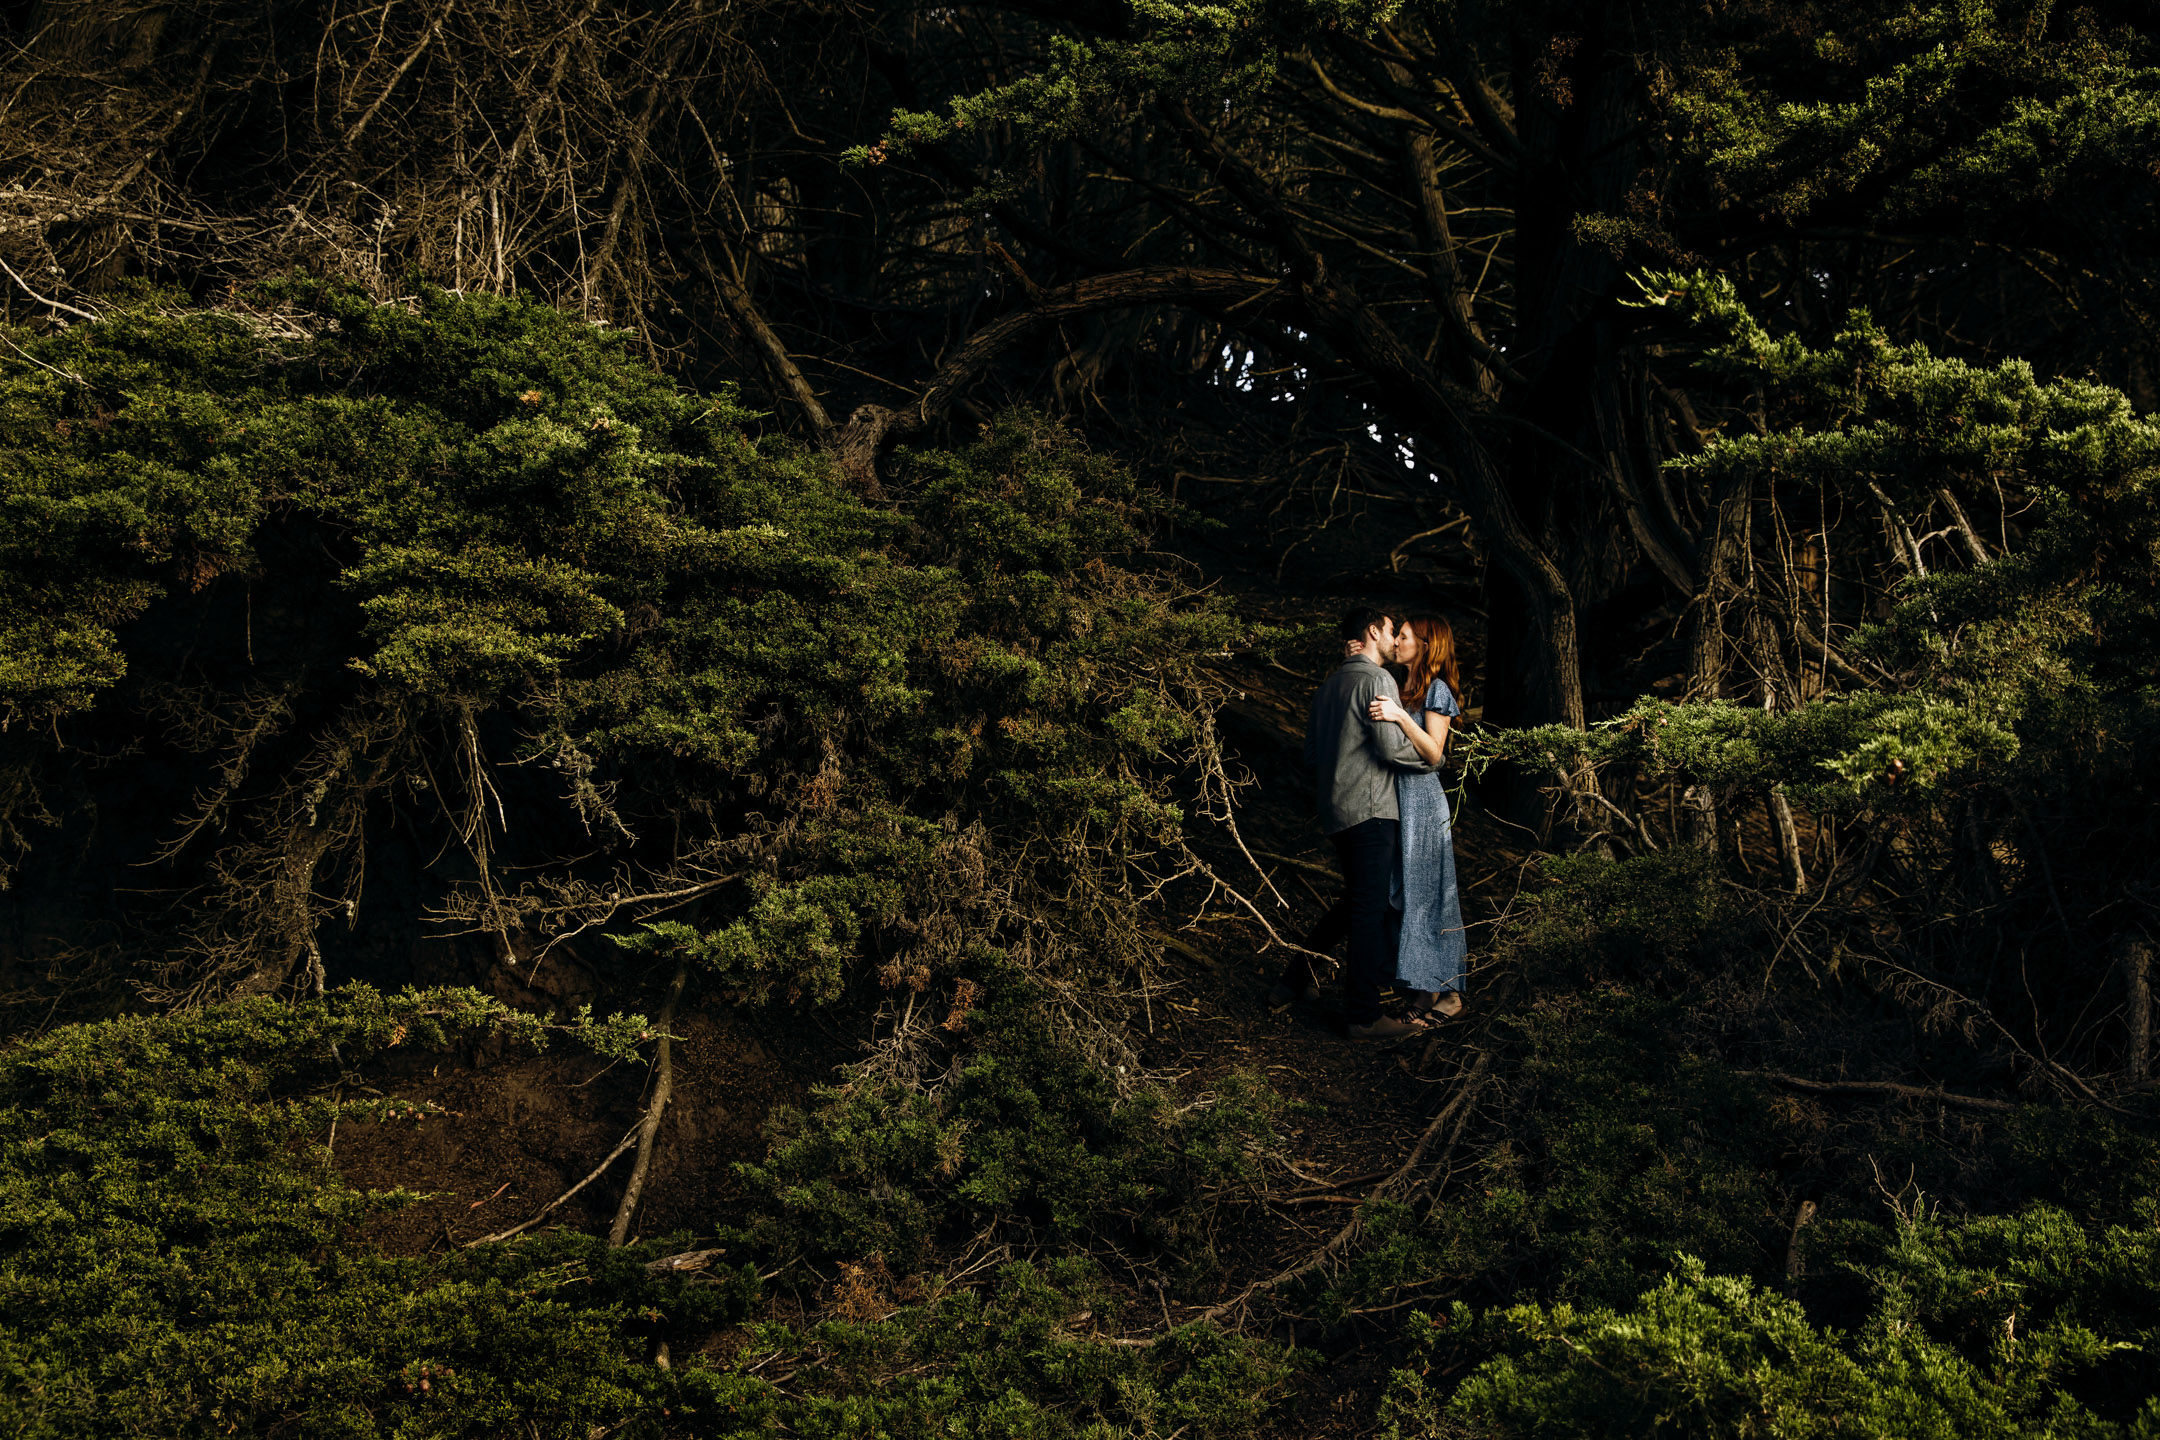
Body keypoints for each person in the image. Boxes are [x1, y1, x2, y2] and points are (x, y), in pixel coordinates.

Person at [1272, 606, 1436, 1040]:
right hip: (1371, 811)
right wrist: (1429, 762)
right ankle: (1363, 1016)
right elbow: (1389, 749)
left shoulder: (1330, 684)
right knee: (1369, 909)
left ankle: (1291, 980)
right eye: (1389, 630)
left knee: (1355, 902)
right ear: (1372, 631)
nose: (1394, 639)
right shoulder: (1378, 680)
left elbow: (1310, 755)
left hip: (1336, 811)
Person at [1368, 615, 1468, 1022]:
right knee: (1403, 896)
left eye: (1404, 637)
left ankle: (1450, 996)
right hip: (1398, 802)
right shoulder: (1399, 686)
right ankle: (1423, 991)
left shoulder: (1436, 690)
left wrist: (1399, 716)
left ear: (1425, 646)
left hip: (1424, 805)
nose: (1398, 643)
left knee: (1430, 897)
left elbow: (1435, 754)